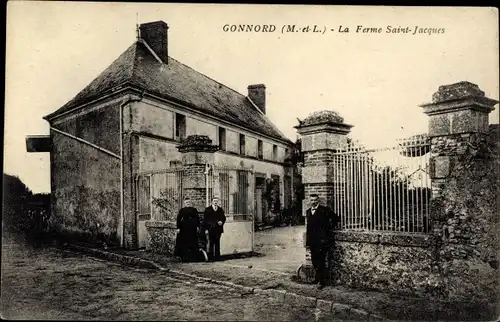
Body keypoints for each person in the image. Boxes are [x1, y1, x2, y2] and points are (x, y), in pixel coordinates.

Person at [305, 194, 340, 289]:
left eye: (315, 200)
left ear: (318, 201)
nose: (313, 202)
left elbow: (336, 219)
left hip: (322, 241)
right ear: (309, 201)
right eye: (312, 200)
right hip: (313, 241)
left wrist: (327, 229)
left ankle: (321, 281)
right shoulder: (308, 211)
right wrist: (307, 242)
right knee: (314, 260)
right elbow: (308, 228)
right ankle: (317, 278)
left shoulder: (325, 210)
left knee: (321, 261)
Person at [176, 197, 201, 262]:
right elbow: (178, 220)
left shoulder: (194, 210)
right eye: (187, 202)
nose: (188, 203)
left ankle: (194, 258)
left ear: (191, 203)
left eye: (189, 202)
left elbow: (197, 219)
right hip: (184, 229)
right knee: (185, 243)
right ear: (184, 203)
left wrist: (198, 226)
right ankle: (185, 258)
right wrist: (178, 228)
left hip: (192, 229)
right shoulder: (182, 210)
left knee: (193, 243)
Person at [203, 197, 226, 261]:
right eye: (214, 201)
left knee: (217, 243)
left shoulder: (220, 209)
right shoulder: (208, 209)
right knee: (211, 243)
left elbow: (223, 218)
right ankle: (210, 258)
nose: (215, 202)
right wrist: (206, 229)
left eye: (216, 201)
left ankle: (217, 257)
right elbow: (205, 220)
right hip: (211, 229)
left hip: (218, 230)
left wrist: (221, 221)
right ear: (212, 202)